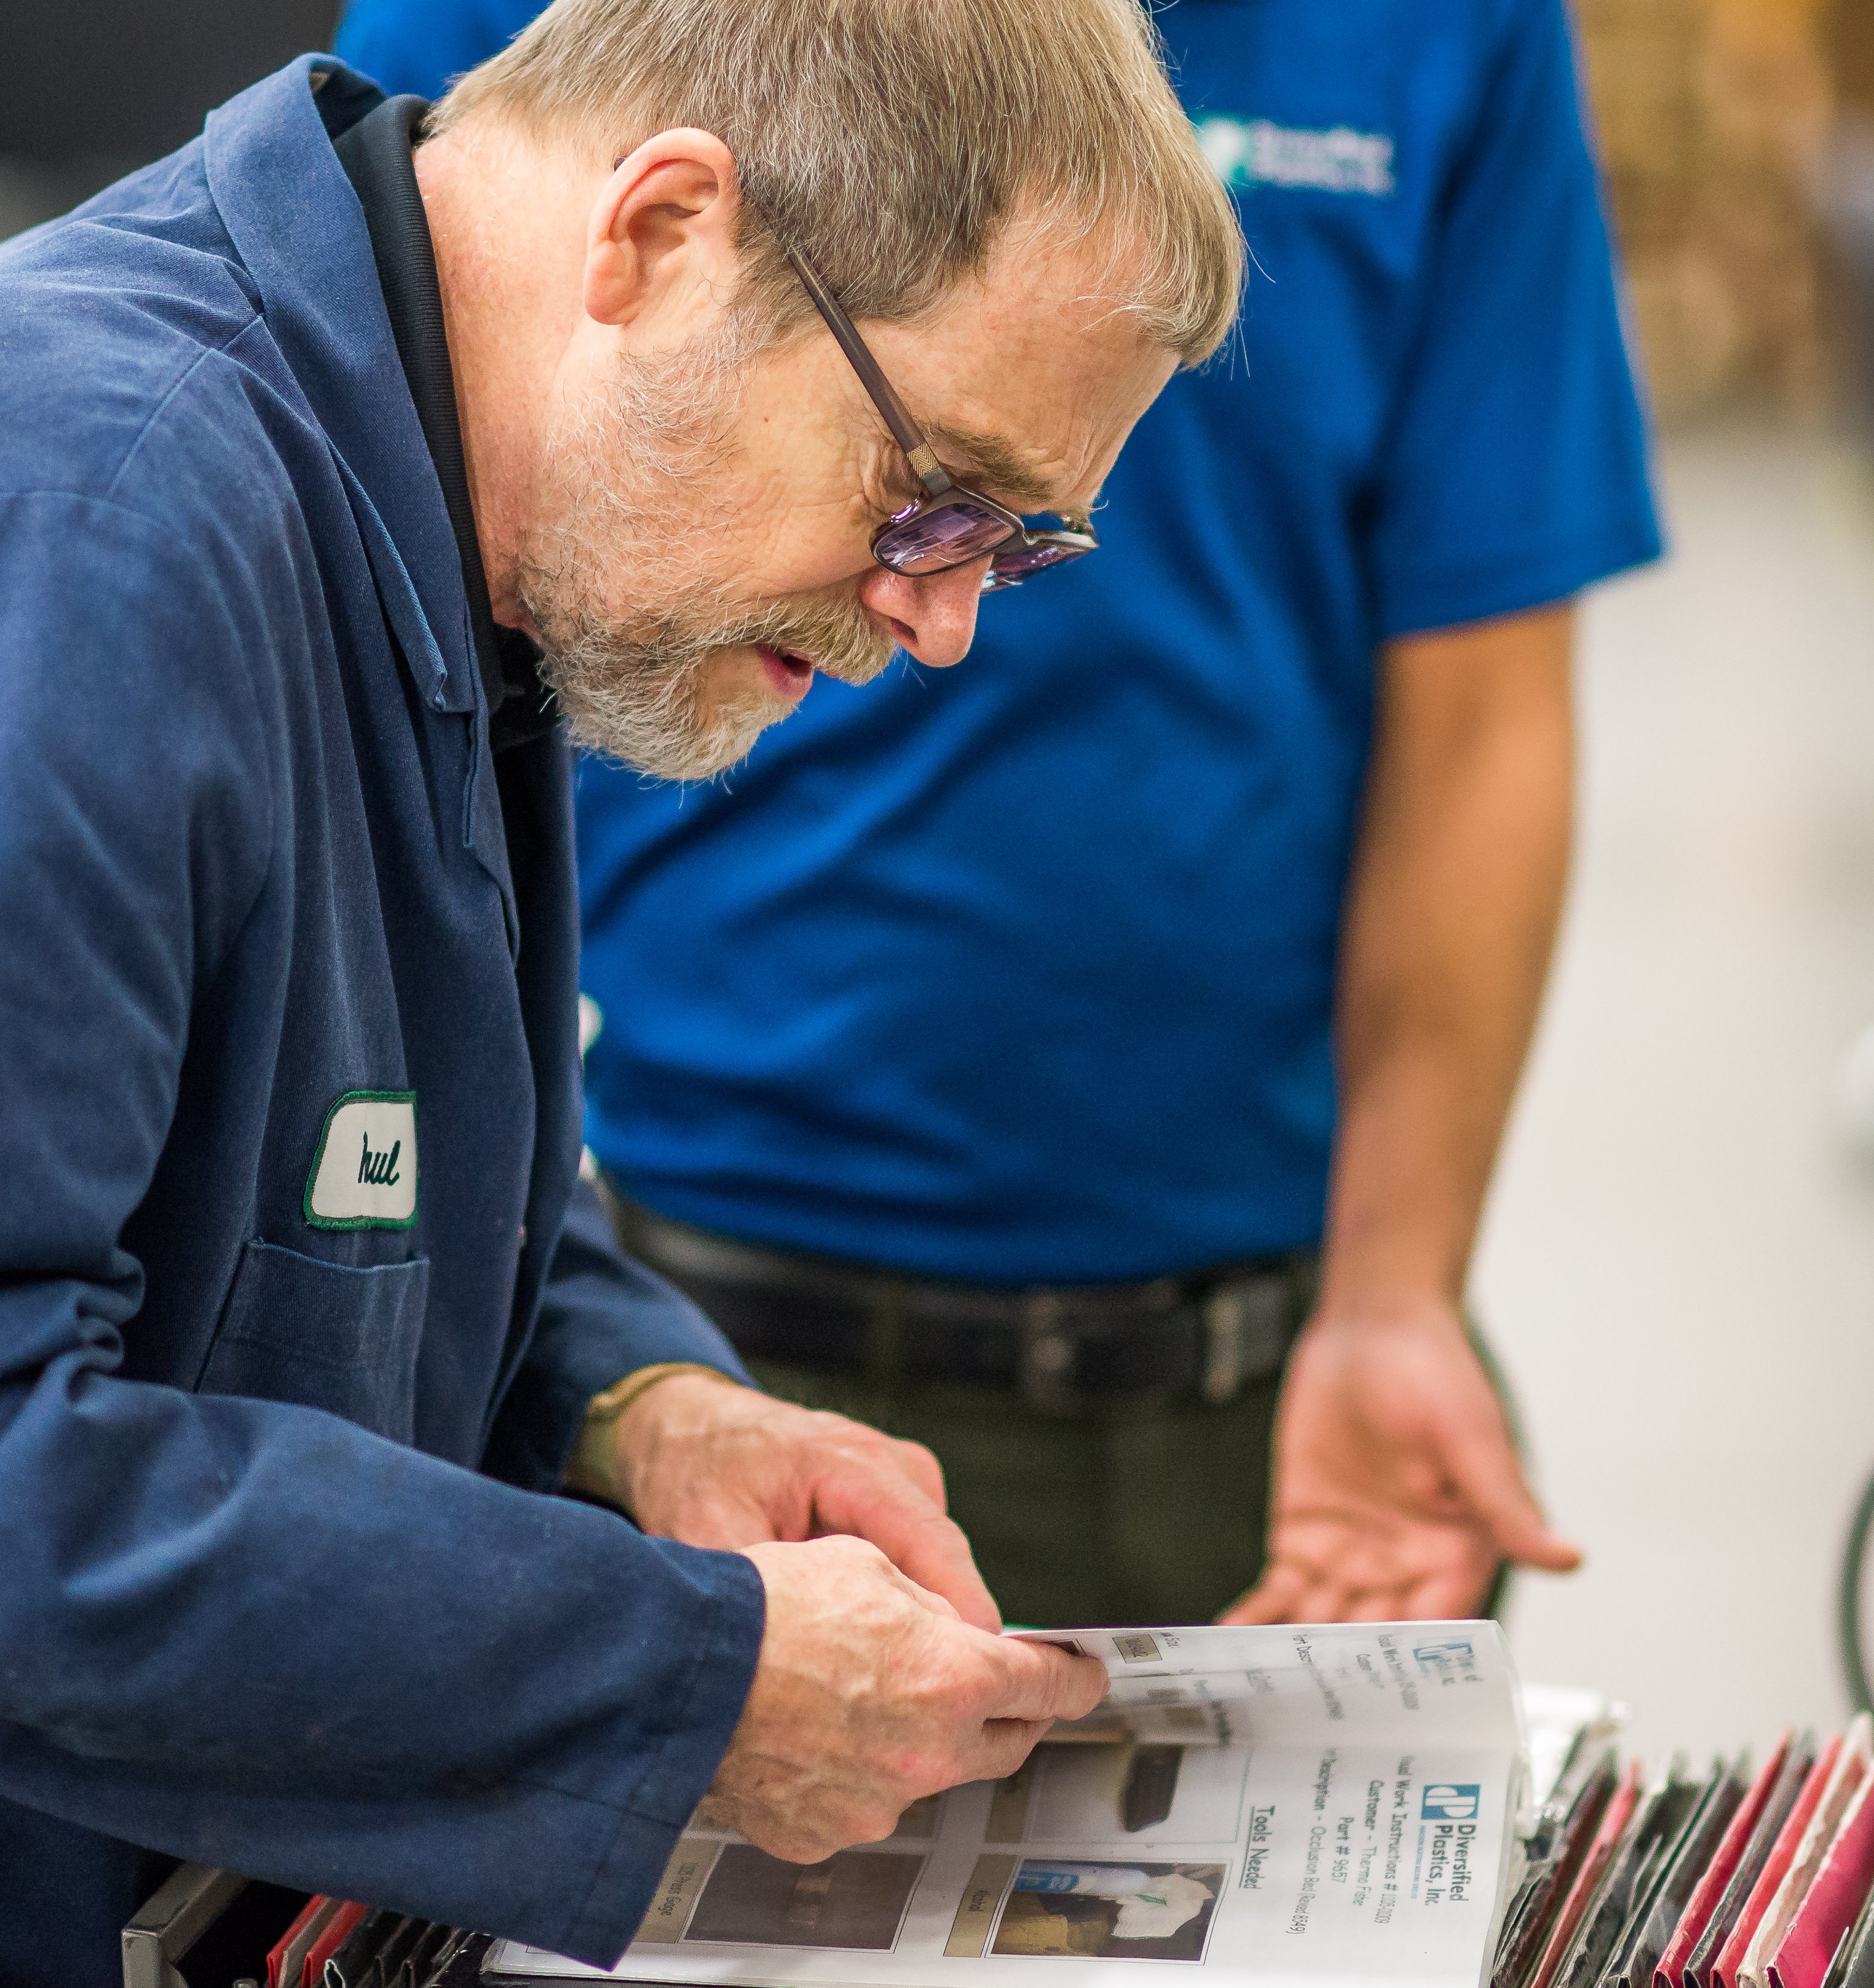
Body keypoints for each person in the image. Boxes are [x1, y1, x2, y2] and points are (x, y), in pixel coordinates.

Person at [0, 0, 1242, 1976]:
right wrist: (683, 1676)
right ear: (661, 235)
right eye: (929, 492)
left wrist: (632, 1402)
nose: (935, 625)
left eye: (1011, 550)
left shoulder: (452, 507)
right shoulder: (87, 533)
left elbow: (332, 1156)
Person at [335, 0, 1664, 1631]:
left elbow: (1482, 706)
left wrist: (1398, 1293)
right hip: (697, 1305)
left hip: (1264, 1342)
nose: (940, 623)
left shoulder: (1445, 36)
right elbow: (411, 527)